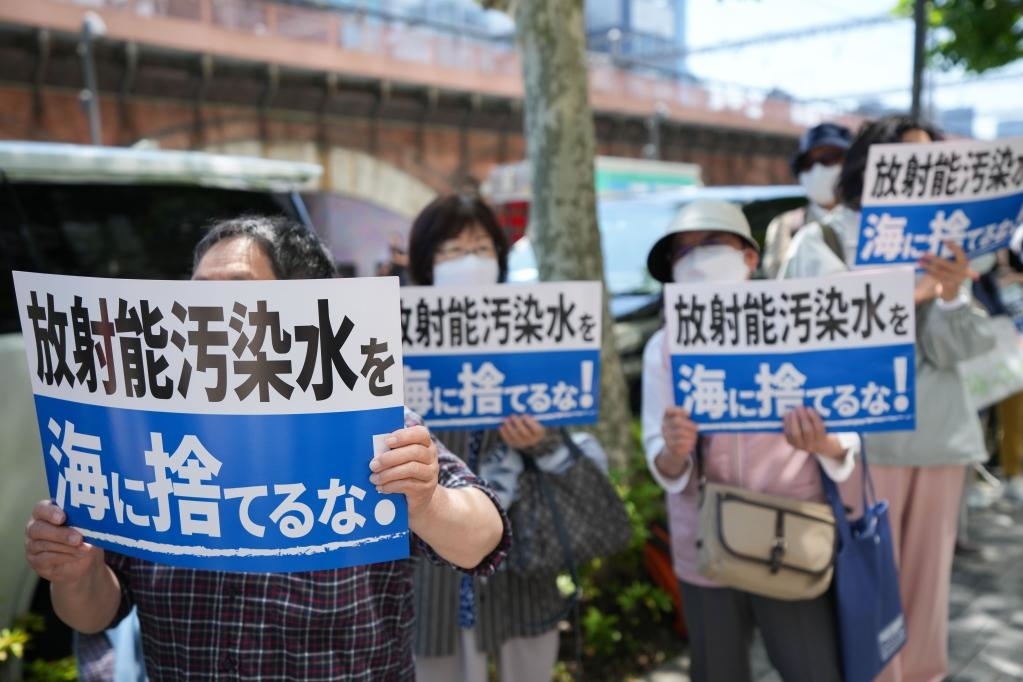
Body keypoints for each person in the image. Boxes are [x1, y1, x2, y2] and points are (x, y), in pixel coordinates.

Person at [24, 215, 510, 681]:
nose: (207, 314)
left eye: (237, 292)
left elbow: (484, 539)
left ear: (305, 308)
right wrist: (76, 570)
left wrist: (428, 502)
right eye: (198, 294)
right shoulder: (139, 432)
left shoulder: (371, 427)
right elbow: (96, 614)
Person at [779, 115, 997, 682]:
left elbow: (957, 348)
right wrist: (916, 290)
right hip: (860, 444)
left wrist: (950, 294)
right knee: (865, 594)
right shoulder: (823, 239)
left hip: (939, 438)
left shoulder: (945, 243)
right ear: (870, 165)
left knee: (927, 596)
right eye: (906, 158)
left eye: (929, 160)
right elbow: (817, 331)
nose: (919, 171)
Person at [641, 199, 858, 682]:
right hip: (706, 538)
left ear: (750, 257)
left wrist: (824, 442)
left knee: (812, 669)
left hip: (793, 531)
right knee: (718, 669)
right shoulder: (664, 347)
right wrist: (674, 450)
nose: (697, 258)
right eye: (683, 252)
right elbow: (661, 456)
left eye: (711, 243)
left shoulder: (800, 326)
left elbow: (847, 432)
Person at [407, 194, 564, 682]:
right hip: (430, 567)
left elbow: (565, 434)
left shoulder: (532, 329)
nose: (469, 261)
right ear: (426, 263)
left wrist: (539, 440)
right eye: (452, 250)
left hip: (520, 556)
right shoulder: (393, 337)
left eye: (480, 248)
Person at [760, 122, 853, 278]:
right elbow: (777, 282)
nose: (817, 169)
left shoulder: (870, 222)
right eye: (807, 163)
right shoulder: (785, 226)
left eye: (828, 158)